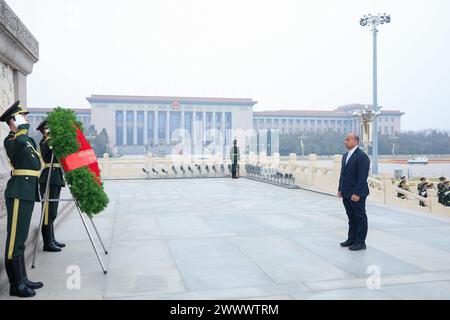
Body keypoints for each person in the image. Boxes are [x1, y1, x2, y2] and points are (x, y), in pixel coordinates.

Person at [1, 101, 44, 298]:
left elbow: (36, 162)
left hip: (27, 191)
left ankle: (23, 279)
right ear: (13, 120)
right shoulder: (11, 140)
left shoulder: (26, 140)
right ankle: (15, 285)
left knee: (22, 238)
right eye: (22, 117)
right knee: (14, 241)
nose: (26, 120)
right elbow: (17, 147)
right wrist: (21, 129)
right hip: (18, 191)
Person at [337, 133, 370, 251]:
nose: (345, 141)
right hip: (346, 192)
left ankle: (360, 242)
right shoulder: (345, 156)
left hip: (357, 194)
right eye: (345, 139)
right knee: (351, 217)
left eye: (348, 140)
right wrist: (340, 189)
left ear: (356, 141)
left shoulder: (362, 156)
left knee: (360, 217)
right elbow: (343, 174)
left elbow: (362, 177)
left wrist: (357, 193)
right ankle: (351, 239)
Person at [37, 120, 66, 252]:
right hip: (48, 178)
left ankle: (52, 239)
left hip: (55, 177)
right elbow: (48, 153)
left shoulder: (51, 142)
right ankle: (47, 243)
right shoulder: (44, 142)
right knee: (47, 211)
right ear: (45, 130)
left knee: (52, 210)